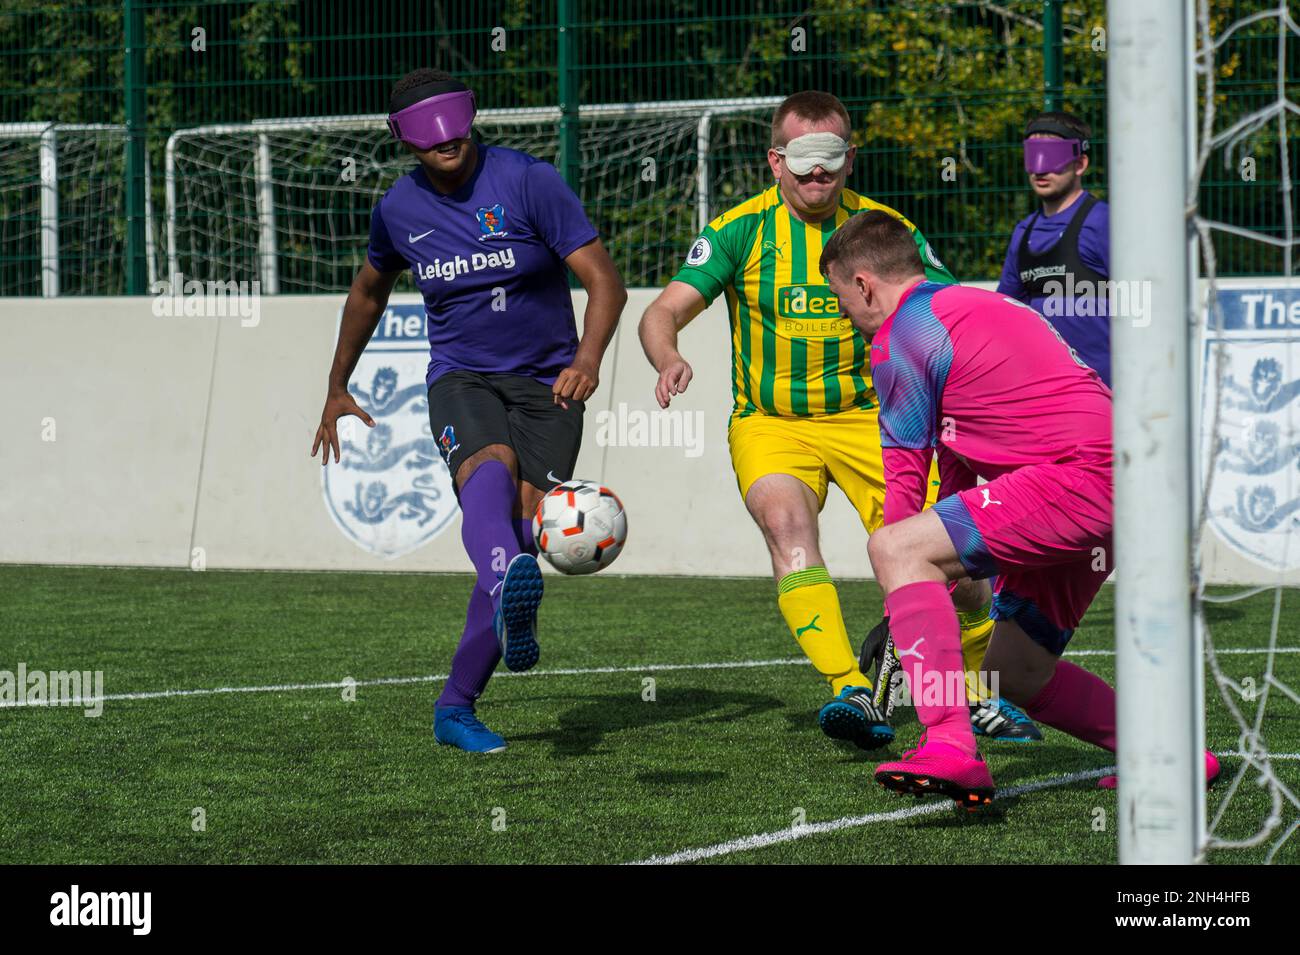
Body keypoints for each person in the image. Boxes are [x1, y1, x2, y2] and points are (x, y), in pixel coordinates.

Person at [638, 91, 1040, 749]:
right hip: (771, 423)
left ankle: (972, 693)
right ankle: (850, 687)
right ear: (775, 161)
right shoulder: (739, 229)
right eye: (803, 159)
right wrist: (667, 355)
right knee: (786, 524)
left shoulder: (884, 231)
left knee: (957, 565)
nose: (817, 174)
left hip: (874, 422)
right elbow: (662, 311)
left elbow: (946, 307)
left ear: (851, 158)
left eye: (831, 159)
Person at [820, 210, 1219, 803]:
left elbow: (906, 486)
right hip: (1135, 482)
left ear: (863, 284)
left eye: (841, 301)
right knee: (1015, 670)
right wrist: (914, 607)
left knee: (892, 546)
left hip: (1082, 477)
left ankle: (950, 746)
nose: (847, 317)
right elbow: (954, 480)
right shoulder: (976, 307)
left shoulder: (901, 335)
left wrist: (895, 594)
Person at [311, 69, 626, 753]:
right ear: (404, 140)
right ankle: (507, 580)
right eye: (430, 135)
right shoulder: (397, 209)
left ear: (470, 118)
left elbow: (604, 279)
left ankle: (456, 707)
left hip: (550, 385)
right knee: (489, 471)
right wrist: (338, 383)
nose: (447, 142)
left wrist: (589, 359)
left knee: (512, 533)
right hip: (461, 377)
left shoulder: (527, 181)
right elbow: (368, 291)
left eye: (455, 126)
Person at [997, 111, 1112, 385]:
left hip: (1107, 394)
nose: (1039, 168)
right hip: (1048, 394)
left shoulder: (1104, 223)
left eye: (1051, 155)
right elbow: (1005, 313)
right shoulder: (1023, 233)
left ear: (1080, 163)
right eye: (1033, 155)